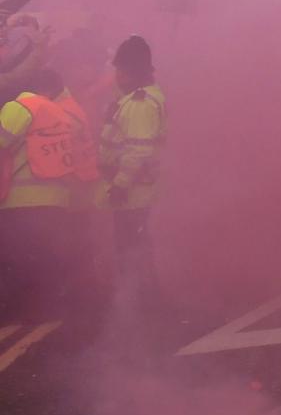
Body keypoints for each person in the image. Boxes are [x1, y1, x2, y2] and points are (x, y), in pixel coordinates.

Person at [0, 65, 99, 308]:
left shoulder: (22, 106)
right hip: (57, 199)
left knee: (17, 260)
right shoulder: (59, 113)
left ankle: (21, 311)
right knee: (45, 260)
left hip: (21, 200)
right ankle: (50, 309)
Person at [97, 35, 165, 297]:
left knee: (130, 245)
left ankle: (136, 297)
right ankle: (142, 294)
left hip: (133, 189)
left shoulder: (140, 103)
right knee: (136, 243)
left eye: (119, 70)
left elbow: (137, 150)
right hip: (136, 187)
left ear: (128, 72)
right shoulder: (138, 98)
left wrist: (120, 184)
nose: (116, 76)